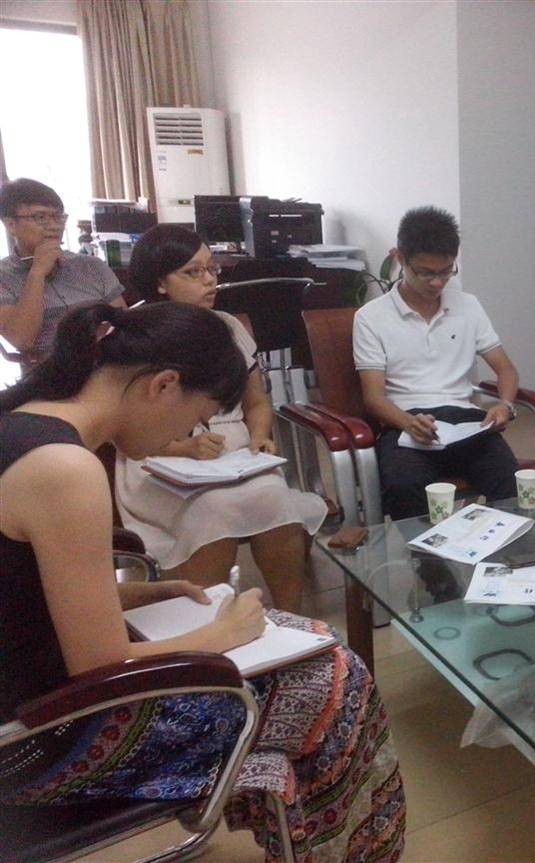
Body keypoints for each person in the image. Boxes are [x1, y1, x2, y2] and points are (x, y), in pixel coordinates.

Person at [0, 303, 405, 862]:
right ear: (164, 385)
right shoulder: (63, 468)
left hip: (26, 691)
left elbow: (18, 591)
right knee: (334, 679)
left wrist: (134, 593)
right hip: (36, 742)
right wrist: (223, 636)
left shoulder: (19, 422)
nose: (190, 433)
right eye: (198, 417)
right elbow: (98, 665)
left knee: (310, 654)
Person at [115, 225, 327, 613]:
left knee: (274, 497)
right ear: (160, 282)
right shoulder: (135, 336)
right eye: (193, 272)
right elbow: (123, 430)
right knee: (213, 509)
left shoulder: (228, 327)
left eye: (212, 269)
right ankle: (207, 623)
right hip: (156, 459)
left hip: (234, 455)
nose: (209, 280)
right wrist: (184, 447)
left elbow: (257, 403)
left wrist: (260, 436)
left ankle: (291, 617)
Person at [353, 205, 521, 518]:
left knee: (510, 483)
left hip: (466, 421)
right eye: (425, 273)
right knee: (404, 487)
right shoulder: (371, 317)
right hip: (407, 422)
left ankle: (503, 549)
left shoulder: (468, 305)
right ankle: (427, 552)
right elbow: (373, 398)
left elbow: (506, 369)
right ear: (400, 259)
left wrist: (505, 405)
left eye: (446, 272)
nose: (437, 282)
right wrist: (408, 423)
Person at [0, 178, 126, 363]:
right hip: (48, 369)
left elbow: (123, 321)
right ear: (10, 224)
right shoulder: (3, 276)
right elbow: (22, 341)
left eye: (58, 217)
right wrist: (37, 273)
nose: (54, 226)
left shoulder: (92, 266)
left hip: (106, 361)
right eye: (40, 217)